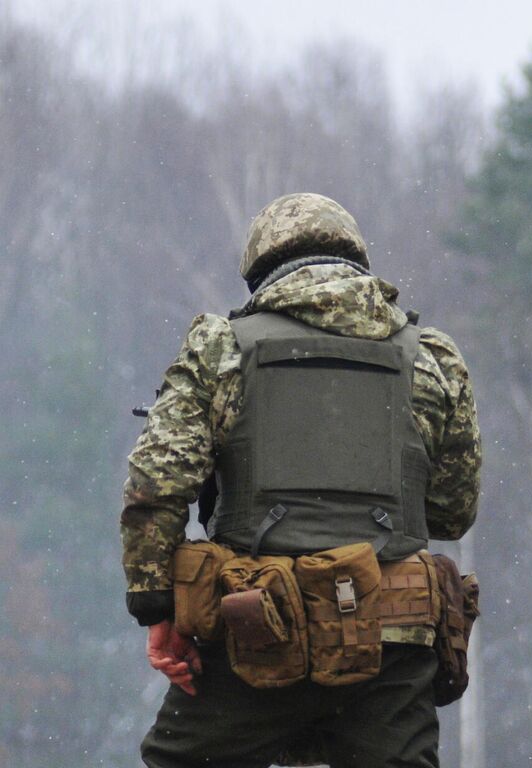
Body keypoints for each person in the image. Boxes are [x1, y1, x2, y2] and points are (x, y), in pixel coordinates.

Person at [126, 192, 482, 767]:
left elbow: (156, 487)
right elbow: (451, 510)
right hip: (390, 642)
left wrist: (157, 609)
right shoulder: (433, 358)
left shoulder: (222, 347)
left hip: (253, 629)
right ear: (357, 261)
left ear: (260, 271)